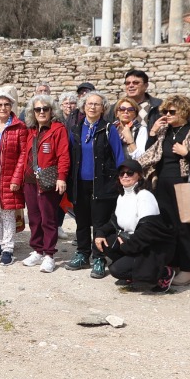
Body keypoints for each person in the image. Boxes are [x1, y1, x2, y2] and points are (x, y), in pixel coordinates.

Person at [137, 93, 190, 287]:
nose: (167, 114)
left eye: (171, 111)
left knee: (186, 228)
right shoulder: (164, 131)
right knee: (168, 226)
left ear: (183, 111)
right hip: (162, 185)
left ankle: (188, 269)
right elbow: (151, 154)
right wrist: (152, 133)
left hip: (186, 186)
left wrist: (186, 153)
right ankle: (173, 263)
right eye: (164, 110)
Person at [97, 162, 175, 293]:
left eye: (130, 173)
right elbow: (113, 222)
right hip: (134, 241)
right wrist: (100, 233)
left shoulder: (144, 196)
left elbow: (148, 231)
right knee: (104, 242)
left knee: (116, 270)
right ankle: (132, 271)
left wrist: (127, 246)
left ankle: (164, 273)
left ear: (139, 175)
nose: (125, 176)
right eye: (122, 173)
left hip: (151, 246)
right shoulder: (122, 196)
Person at [65, 92, 119, 275]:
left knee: (99, 222)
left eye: (97, 104)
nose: (93, 107)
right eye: (89, 104)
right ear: (83, 107)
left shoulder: (109, 129)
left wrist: (120, 182)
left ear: (103, 108)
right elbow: (70, 157)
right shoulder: (76, 130)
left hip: (101, 184)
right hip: (80, 184)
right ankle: (82, 254)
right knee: (81, 222)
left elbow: (118, 156)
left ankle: (98, 257)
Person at [18, 94, 69, 272]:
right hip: (30, 180)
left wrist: (62, 177)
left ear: (51, 111)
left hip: (48, 179)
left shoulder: (58, 129)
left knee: (48, 218)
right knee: (34, 217)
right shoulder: (30, 130)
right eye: (37, 109)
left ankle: (49, 254)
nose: (41, 112)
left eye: (44, 109)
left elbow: (63, 155)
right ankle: (37, 250)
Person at [0, 87, 29, 265]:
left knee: (8, 213)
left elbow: (23, 155)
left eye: (6, 105)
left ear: (11, 107)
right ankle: (0, 243)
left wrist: (17, 178)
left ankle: (8, 248)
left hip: (9, 176)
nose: (2, 108)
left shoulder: (19, 127)